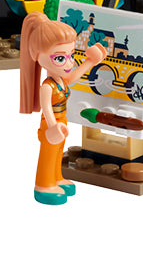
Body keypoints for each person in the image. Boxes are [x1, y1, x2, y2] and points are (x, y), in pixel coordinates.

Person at [18, 11, 108, 204]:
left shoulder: (61, 80)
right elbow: (46, 108)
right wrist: (52, 126)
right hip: (50, 125)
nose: (69, 62)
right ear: (37, 56)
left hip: (62, 122)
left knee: (59, 151)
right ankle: (43, 185)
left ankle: (56, 178)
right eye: (60, 58)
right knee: (48, 154)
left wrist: (90, 61)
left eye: (71, 55)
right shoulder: (47, 86)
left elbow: (73, 76)